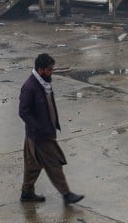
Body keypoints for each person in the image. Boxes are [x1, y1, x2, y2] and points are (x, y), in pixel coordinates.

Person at [18, 53, 84, 205]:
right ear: (40, 70)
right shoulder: (30, 87)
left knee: (32, 165)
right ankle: (66, 194)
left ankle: (27, 193)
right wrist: (38, 128)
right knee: (54, 163)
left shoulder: (43, 82)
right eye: (49, 69)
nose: (51, 72)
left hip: (41, 133)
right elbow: (23, 111)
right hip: (40, 135)